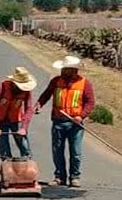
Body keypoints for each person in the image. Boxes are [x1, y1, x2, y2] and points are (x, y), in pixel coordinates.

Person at [35, 56, 94, 188]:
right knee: (57, 151)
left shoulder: (85, 84)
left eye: (65, 69)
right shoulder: (56, 81)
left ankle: (75, 177)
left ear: (73, 70)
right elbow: (46, 94)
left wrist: (81, 116)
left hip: (75, 123)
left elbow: (90, 102)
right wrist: (39, 104)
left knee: (76, 152)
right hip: (58, 121)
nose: (62, 71)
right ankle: (59, 177)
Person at [0, 66, 37, 158]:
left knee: (25, 148)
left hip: (16, 120)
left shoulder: (26, 91)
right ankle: (7, 167)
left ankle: (26, 166)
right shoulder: (2, 87)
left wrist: (23, 128)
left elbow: (29, 109)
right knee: (5, 152)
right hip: (1, 121)